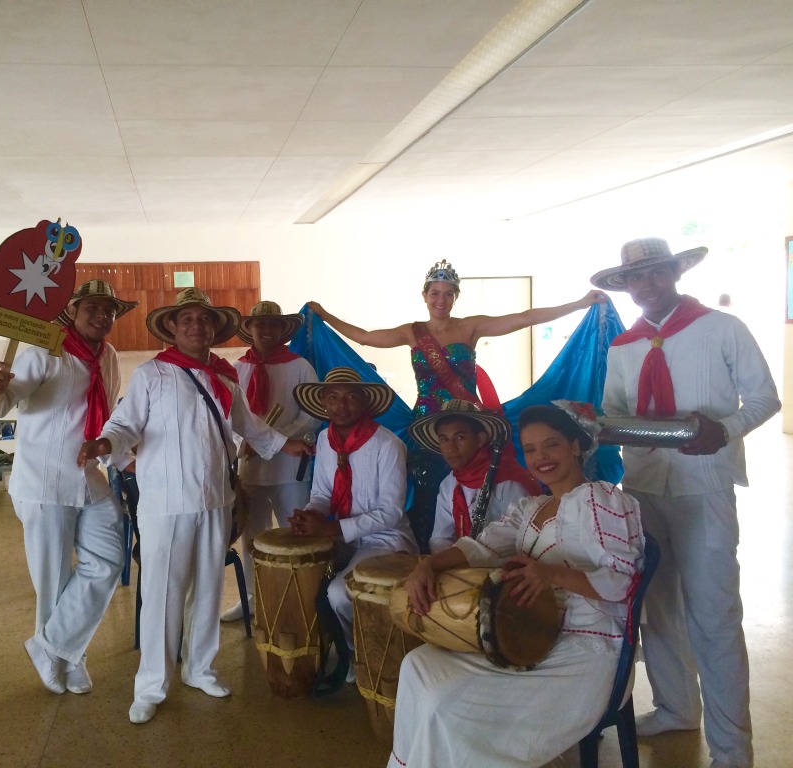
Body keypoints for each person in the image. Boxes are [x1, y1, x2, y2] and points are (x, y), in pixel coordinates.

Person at [76, 287, 311, 725]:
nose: (196, 326)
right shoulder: (152, 374)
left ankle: (199, 668)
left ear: (215, 328)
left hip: (215, 500)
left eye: (204, 320)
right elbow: (126, 424)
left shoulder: (225, 376)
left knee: (206, 590)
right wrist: (106, 442)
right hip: (165, 504)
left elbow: (247, 424)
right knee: (163, 593)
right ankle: (151, 685)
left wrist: (285, 444)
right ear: (172, 327)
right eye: (187, 320)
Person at [595, 237, 780, 768]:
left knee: (715, 613)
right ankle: (677, 708)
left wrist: (725, 429)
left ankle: (732, 749)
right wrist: (595, 423)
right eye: (636, 278)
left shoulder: (722, 329)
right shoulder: (624, 346)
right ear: (625, 286)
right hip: (646, 487)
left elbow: (766, 397)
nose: (646, 285)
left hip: (706, 487)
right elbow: (613, 408)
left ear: (675, 273)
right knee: (658, 608)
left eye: (656, 273)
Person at [389, 403, 644, 768]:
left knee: (447, 707)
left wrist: (552, 574)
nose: (540, 457)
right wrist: (427, 566)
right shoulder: (531, 508)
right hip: (531, 633)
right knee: (418, 666)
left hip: (588, 648)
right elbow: (479, 547)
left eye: (551, 445)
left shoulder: (600, 500)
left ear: (576, 445)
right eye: (530, 449)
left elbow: (624, 583)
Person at [308, 262, 603, 551]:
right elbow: (364, 337)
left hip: (467, 426)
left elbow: (523, 317)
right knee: (427, 497)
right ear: (424, 295)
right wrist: (324, 315)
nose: (441, 300)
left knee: (481, 492)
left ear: (455, 297)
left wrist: (578, 304)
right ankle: (429, 559)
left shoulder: (470, 327)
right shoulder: (412, 332)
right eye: (435, 293)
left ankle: (485, 551)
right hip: (426, 431)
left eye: (448, 293)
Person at [0, 279, 137, 696]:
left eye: (110, 310)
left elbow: (108, 415)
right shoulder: (45, 351)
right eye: (94, 307)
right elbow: (7, 399)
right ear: (73, 310)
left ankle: (53, 648)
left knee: (107, 559)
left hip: (89, 477)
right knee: (53, 578)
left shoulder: (110, 357)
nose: (103, 316)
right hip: (45, 482)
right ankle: (70, 657)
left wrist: (119, 455)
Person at [289, 367, 417, 688]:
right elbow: (320, 494)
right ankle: (344, 648)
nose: (341, 405)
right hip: (342, 534)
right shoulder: (324, 439)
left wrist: (331, 530)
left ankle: (357, 651)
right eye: (333, 397)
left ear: (365, 403)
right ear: (324, 403)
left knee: (339, 593)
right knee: (302, 580)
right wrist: (309, 516)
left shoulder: (387, 445)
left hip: (384, 540)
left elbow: (391, 512)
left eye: (350, 397)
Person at [222, 300, 321, 622]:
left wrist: (275, 440)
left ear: (282, 330)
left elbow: (312, 415)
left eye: (272, 325)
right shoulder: (236, 369)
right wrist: (243, 443)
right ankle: (252, 596)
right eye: (259, 324)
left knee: (297, 534)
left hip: (290, 468)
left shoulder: (300, 366)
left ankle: (302, 597)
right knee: (254, 537)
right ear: (248, 330)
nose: (265, 330)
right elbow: (227, 419)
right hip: (250, 469)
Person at [407, 399, 541, 553]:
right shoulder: (448, 484)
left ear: (480, 439)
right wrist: (451, 563)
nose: (451, 448)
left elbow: (518, 538)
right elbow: (440, 537)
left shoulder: (507, 480)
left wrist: (469, 559)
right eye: (444, 439)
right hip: (460, 566)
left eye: (460, 437)